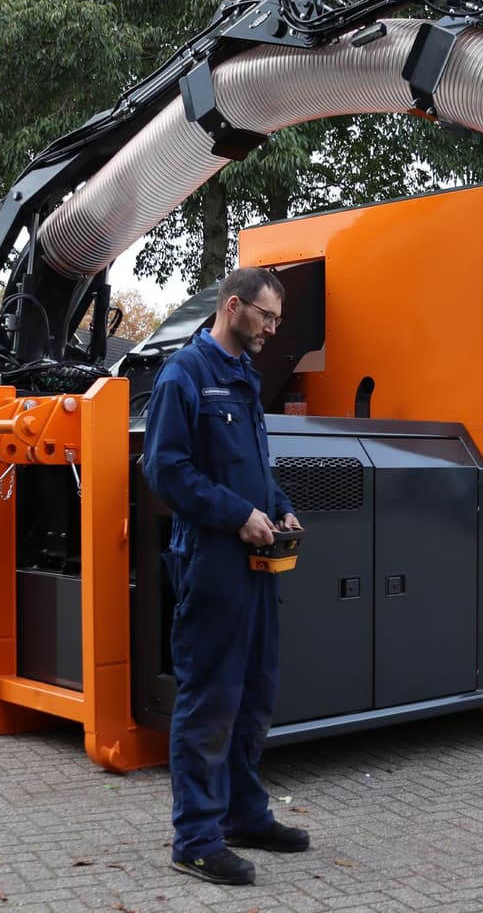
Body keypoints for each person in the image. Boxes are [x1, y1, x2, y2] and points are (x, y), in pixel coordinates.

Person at [143, 266, 307, 886]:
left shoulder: (243, 376)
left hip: (257, 563)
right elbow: (167, 472)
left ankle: (244, 815)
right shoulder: (184, 376)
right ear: (233, 306)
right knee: (210, 697)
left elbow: (251, 466)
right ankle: (195, 838)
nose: (271, 328)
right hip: (211, 564)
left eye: (276, 320)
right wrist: (239, 515)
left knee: (254, 692)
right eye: (265, 316)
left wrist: (279, 501)